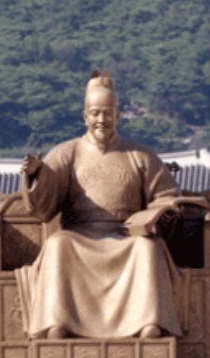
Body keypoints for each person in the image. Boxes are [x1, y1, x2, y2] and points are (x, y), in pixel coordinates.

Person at [14, 70, 189, 340]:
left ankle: (148, 324)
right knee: (58, 245)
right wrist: (38, 175)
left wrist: (157, 212)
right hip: (79, 235)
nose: (101, 120)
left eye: (108, 113)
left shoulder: (139, 155)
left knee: (147, 248)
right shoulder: (66, 153)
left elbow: (166, 192)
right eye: (95, 113)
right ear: (85, 116)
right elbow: (45, 203)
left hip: (126, 236)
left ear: (117, 116)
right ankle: (57, 323)